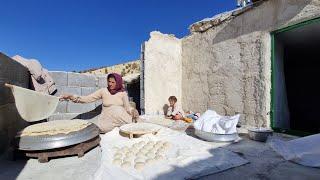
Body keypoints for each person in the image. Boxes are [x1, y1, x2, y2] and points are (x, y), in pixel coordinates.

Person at [60, 73, 139, 133]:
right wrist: (71, 97)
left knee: (137, 127)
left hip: (122, 120)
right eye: (109, 81)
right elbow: (87, 99)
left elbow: (127, 108)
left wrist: (133, 111)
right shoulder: (103, 91)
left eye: (113, 82)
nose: (110, 84)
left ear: (118, 82)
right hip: (107, 123)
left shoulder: (123, 93)